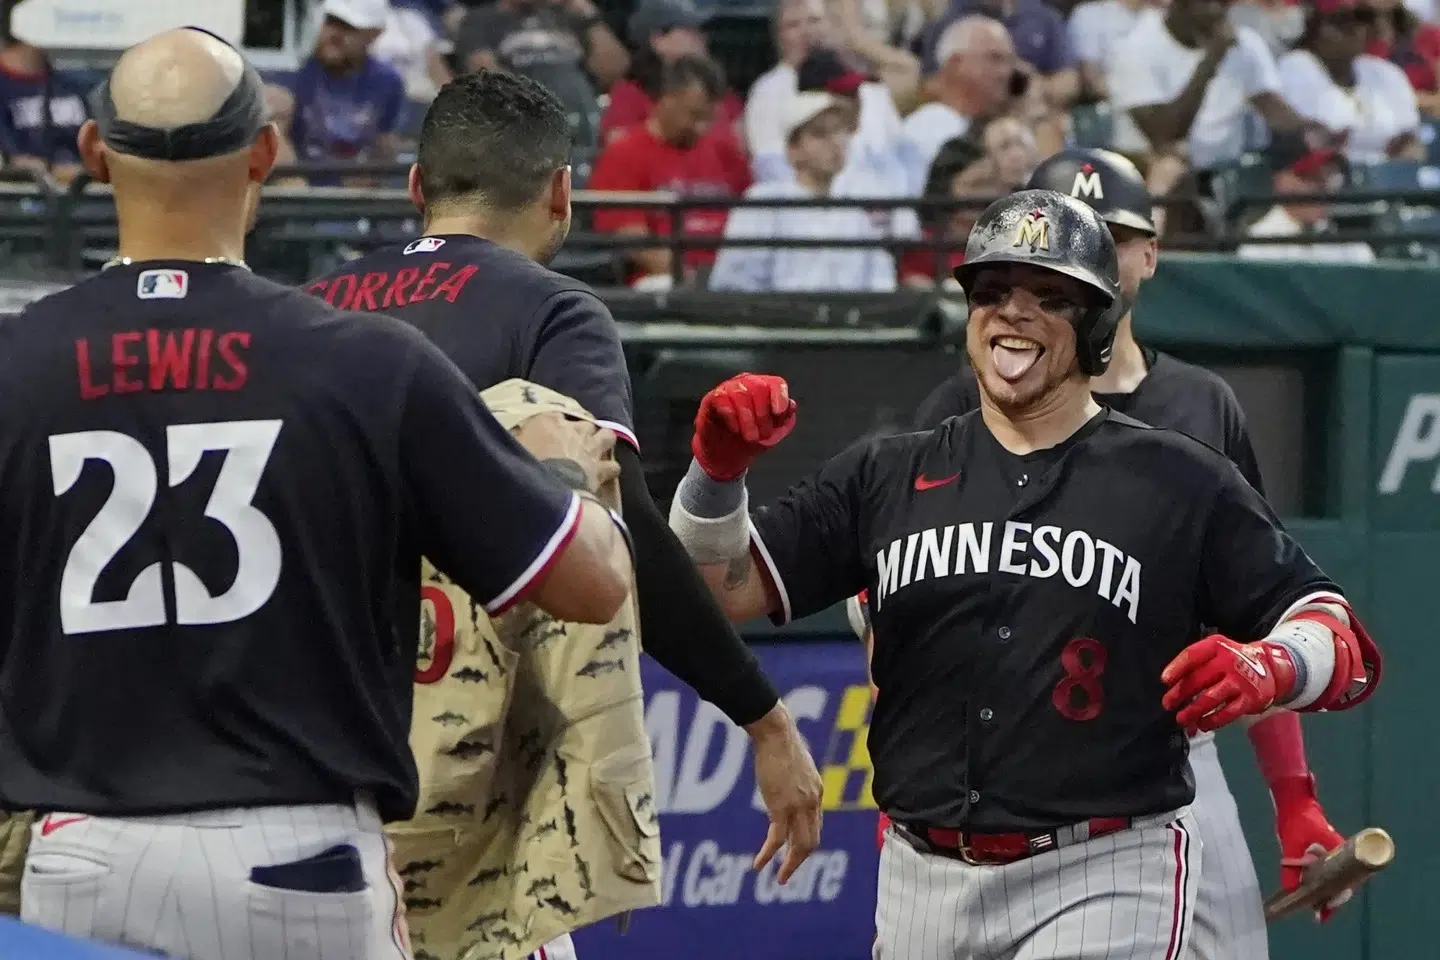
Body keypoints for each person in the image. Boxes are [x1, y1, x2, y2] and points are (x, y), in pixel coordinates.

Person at [0, 27, 633, 957]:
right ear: (264, 150)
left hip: (79, 856)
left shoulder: (13, 365)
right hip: (299, 860)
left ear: (94, 155)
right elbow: (590, 584)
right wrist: (566, 469)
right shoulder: (363, 359)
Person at [666, 188, 1382, 960]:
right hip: (920, 875)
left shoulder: (1178, 478)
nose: (1014, 313)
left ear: (1099, 326)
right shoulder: (887, 471)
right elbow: (715, 589)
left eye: (1051, 297)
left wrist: (1271, 663)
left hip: (1103, 866)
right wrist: (715, 475)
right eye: (994, 292)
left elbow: (1345, 646)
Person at [304, 69, 823, 959]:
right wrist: (762, 716)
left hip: (313, 772)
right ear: (562, 194)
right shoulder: (552, 311)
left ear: (415, 187)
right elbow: (621, 541)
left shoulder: (308, 313)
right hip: (471, 796)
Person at [900, 147, 1362, 956]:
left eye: (1108, 234)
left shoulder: (1199, 406)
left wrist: (1295, 797)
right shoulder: (958, 408)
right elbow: (899, 614)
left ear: (1149, 253)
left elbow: (1256, 612)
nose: (1088, 249)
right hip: (1017, 773)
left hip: (1177, 755)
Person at [710, 92, 899, 292]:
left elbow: (880, 280)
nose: (836, 142)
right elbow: (735, 283)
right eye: (820, 134)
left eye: (840, 131)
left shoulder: (854, 210)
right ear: (793, 150)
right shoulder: (765, 202)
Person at [1277, 0, 1422, 164]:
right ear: (1313, 28)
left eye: (1361, 20)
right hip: (1326, 182)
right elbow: (1316, 139)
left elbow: (1411, 143)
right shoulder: (1295, 66)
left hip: (1386, 182)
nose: (1355, 29)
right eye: (1341, 21)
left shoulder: (1386, 73)